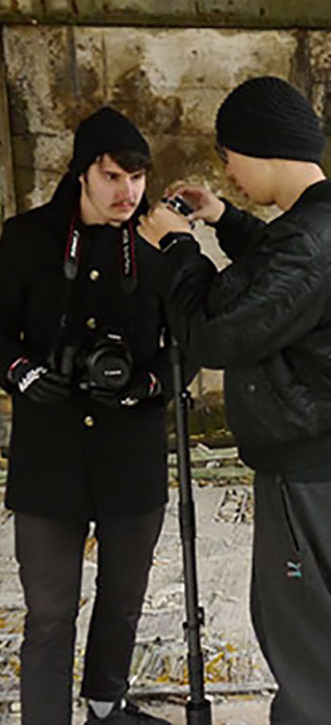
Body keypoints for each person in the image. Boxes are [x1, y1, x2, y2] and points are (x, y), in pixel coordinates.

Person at [137, 76, 331, 724]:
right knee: (318, 631)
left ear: (261, 149)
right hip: (327, 462)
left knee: (315, 650)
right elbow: (278, 279)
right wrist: (223, 217)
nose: (227, 169)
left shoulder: (309, 241)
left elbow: (217, 329)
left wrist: (173, 246)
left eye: (229, 156)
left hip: (306, 472)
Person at [0, 108, 175, 725]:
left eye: (136, 177)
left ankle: (107, 704)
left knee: (123, 598)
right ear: (81, 174)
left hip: (132, 454)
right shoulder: (25, 239)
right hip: (49, 456)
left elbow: (190, 346)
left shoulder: (158, 248)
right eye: (111, 176)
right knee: (50, 611)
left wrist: (147, 383)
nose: (126, 192)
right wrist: (20, 371)